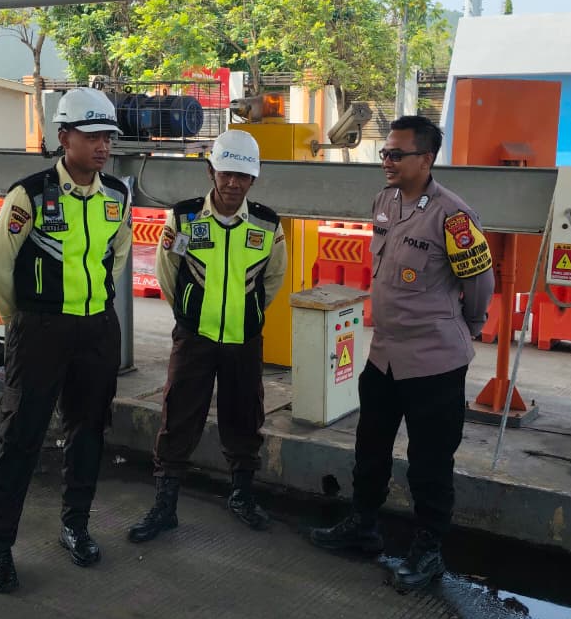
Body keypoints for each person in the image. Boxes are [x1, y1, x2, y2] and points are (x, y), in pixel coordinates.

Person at [308, 115, 495, 593]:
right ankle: (363, 525)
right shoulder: (385, 201)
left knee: (430, 462)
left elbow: (479, 282)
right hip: (384, 356)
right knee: (370, 447)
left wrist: (469, 328)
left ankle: (428, 550)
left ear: (426, 159)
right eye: (384, 153)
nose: (386, 161)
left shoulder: (453, 217)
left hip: (434, 363)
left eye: (396, 154)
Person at [0, 87, 133, 592]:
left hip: (96, 331)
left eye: (108, 136)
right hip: (40, 332)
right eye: (91, 136)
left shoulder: (117, 195)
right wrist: (20, 320)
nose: (102, 146)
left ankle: (76, 526)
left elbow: (118, 254)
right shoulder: (29, 194)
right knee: (21, 439)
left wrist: (96, 305)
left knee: (88, 434)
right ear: (64, 138)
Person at [127, 129, 288, 544]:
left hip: (244, 340)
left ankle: (242, 495)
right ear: (211, 171)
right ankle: (165, 505)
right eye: (226, 173)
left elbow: (273, 279)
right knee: (179, 416)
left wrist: (247, 315)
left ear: (253, 179)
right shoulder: (184, 218)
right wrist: (189, 313)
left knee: (245, 417)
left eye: (243, 176)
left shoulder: (267, 224)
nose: (233, 183)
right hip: (194, 339)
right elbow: (167, 272)